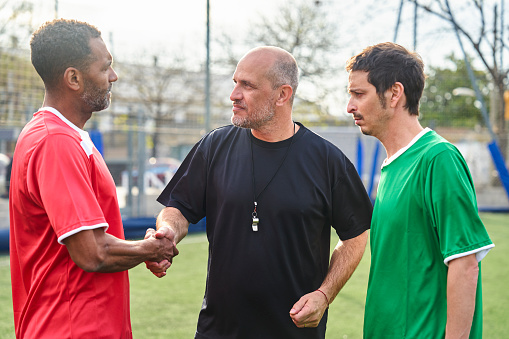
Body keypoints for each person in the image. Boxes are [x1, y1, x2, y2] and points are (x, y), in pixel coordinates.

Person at [145, 46, 373, 339]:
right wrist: (167, 233)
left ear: (282, 94)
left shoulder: (328, 161)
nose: (234, 95)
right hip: (218, 331)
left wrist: (324, 294)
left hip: (294, 332)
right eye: (235, 83)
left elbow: (354, 235)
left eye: (247, 86)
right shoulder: (214, 146)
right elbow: (178, 208)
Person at [9, 19, 178, 338]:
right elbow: (92, 251)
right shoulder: (55, 141)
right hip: (71, 327)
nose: (113, 77)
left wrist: (139, 248)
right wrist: (149, 250)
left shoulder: (65, 137)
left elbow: (94, 242)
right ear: (73, 78)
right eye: (105, 68)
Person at [346, 42, 495, 338]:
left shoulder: (438, 159)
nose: (350, 106)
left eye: (359, 94)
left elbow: (465, 264)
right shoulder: (392, 166)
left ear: (394, 93)